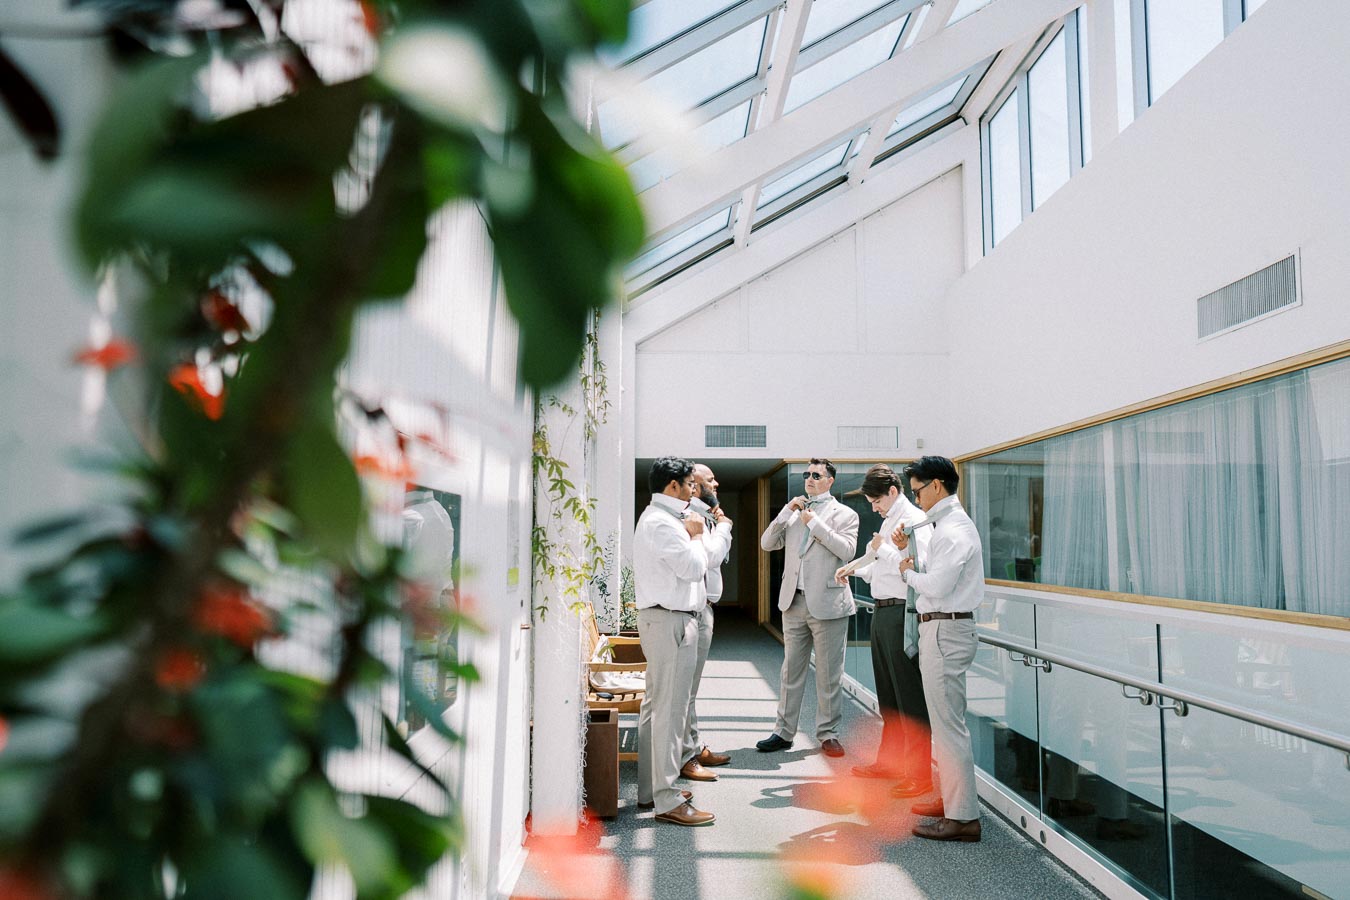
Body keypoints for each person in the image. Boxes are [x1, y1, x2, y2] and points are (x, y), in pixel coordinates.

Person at [892, 456, 985, 842]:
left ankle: (963, 818)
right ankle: (952, 802)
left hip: (946, 630)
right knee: (945, 725)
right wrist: (905, 556)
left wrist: (906, 572)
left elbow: (937, 586)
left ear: (936, 486)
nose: (915, 497)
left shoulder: (955, 529)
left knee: (948, 728)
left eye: (916, 490)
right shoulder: (944, 526)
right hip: (941, 628)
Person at [834, 464, 933, 797]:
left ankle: (919, 775)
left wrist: (883, 550)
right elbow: (880, 563)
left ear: (893, 491)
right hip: (882, 611)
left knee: (908, 698)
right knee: (888, 698)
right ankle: (890, 764)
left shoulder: (915, 520)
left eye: (876, 501)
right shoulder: (890, 520)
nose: (873, 508)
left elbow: (914, 568)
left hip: (901, 613)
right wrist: (854, 568)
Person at [757, 458, 859, 758]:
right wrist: (785, 513)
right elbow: (766, 543)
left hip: (829, 603)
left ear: (830, 481)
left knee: (828, 674)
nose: (810, 479)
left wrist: (814, 523)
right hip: (794, 601)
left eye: (817, 475)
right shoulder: (794, 513)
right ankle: (783, 732)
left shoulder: (846, 514)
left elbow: (847, 550)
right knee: (791, 671)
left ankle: (828, 734)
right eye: (807, 474)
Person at [633, 457, 714, 826]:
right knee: (670, 711)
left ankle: (653, 791)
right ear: (673, 487)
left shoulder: (660, 517)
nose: (694, 490)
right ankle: (666, 800)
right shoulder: (663, 523)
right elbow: (695, 568)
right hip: (669, 622)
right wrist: (697, 535)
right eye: (689, 484)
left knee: (656, 709)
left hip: (664, 620)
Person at [680, 463, 734, 782]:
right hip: (695, 611)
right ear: (697, 487)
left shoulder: (707, 514)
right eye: (710, 479)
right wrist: (725, 526)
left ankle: (694, 746)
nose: (718, 481)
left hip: (705, 609)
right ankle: (686, 757)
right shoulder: (694, 516)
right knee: (688, 689)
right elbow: (711, 557)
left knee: (692, 688)